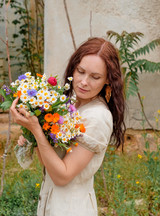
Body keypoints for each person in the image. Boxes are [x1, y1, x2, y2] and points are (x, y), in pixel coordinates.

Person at [10, 37, 125, 216]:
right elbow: (50, 164)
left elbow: (62, 176)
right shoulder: (70, 105)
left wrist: (37, 132)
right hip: (51, 202)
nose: (84, 82)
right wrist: (33, 135)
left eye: (95, 77)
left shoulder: (98, 116)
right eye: (80, 71)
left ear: (108, 81)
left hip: (72, 207)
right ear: (73, 68)